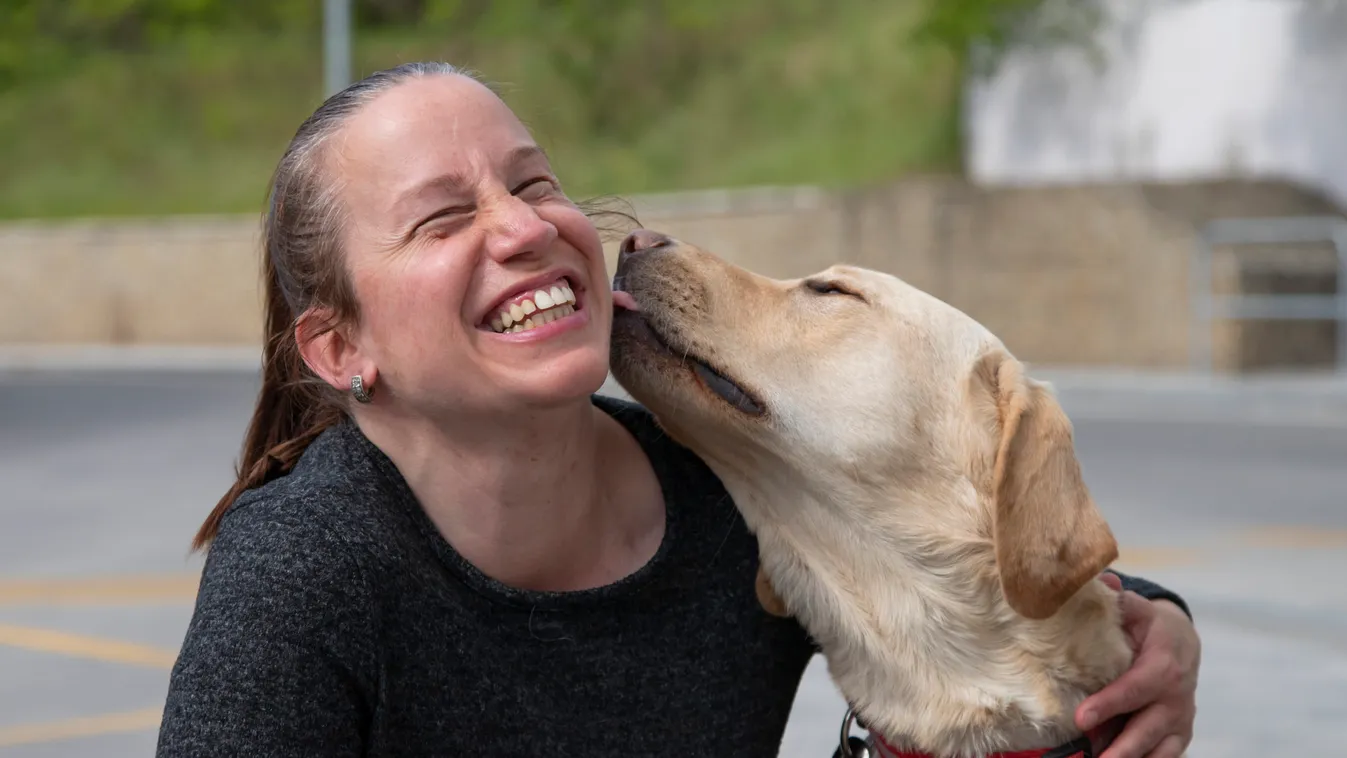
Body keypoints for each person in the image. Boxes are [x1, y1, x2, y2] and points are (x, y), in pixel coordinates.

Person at [155, 62, 1201, 758]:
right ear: (344, 348)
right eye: (443, 218)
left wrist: (1156, 627)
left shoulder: (726, 482)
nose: (522, 226)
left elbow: (957, 544)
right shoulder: (305, 569)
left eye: (534, 181)